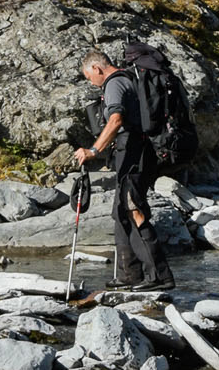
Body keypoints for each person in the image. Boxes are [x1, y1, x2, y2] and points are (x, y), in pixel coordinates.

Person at [74, 49, 174, 291]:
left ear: (97, 68)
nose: (92, 82)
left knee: (132, 209)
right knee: (121, 211)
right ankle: (130, 275)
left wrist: (94, 151)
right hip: (134, 152)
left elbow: (116, 119)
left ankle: (160, 277)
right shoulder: (129, 79)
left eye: (89, 77)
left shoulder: (114, 83)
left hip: (134, 152)